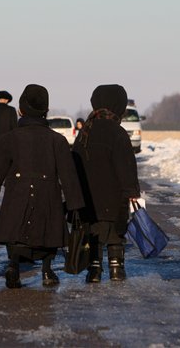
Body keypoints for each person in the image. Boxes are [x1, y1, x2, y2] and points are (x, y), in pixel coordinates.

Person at [0, 84, 84, 288]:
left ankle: (14, 266)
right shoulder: (58, 140)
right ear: (46, 111)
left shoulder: (9, 139)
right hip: (48, 197)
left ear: (20, 110)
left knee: (15, 233)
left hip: (16, 195)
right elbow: (68, 176)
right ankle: (47, 270)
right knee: (48, 233)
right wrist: (75, 203)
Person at [72, 84, 140, 283]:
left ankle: (94, 269)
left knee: (94, 233)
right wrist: (132, 191)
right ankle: (117, 268)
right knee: (115, 234)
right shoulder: (118, 133)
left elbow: (74, 162)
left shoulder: (85, 131)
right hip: (114, 196)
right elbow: (126, 166)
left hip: (88, 197)